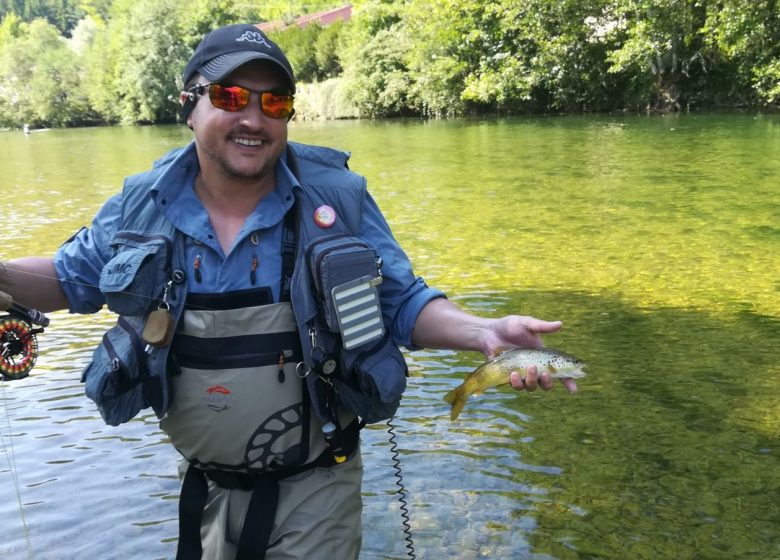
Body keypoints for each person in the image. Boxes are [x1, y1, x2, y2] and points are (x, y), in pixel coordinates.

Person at [0, 23, 577, 560]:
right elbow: (68, 278)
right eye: (230, 97)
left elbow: (401, 302)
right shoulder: (142, 204)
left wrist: (485, 333)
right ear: (189, 106)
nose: (253, 117)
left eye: (273, 102)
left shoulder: (337, 200)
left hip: (317, 488)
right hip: (204, 489)